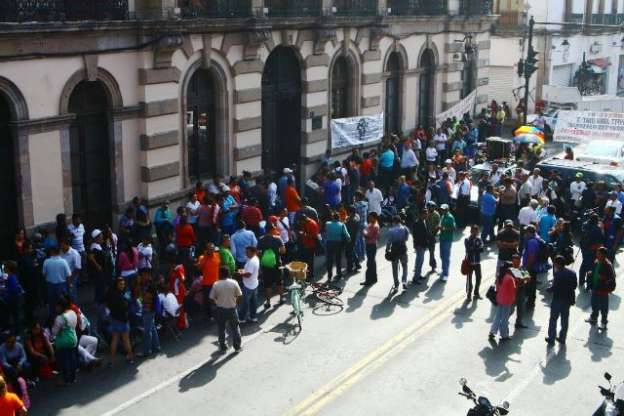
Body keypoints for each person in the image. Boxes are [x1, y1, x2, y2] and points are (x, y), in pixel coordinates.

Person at [545, 256, 577, 345]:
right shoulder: (572, 273)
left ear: (557, 264)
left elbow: (554, 288)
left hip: (558, 299)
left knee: (553, 319)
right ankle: (562, 338)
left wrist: (548, 289)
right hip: (567, 300)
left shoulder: (558, 274)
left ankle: (551, 338)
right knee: (565, 320)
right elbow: (574, 286)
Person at [210, 267, 243, 353]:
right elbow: (240, 295)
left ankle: (223, 347)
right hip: (232, 309)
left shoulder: (216, 284)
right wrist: (236, 304)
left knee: (221, 329)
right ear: (228, 274)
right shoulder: (234, 282)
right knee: (235, 329)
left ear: (220, 274)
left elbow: (211, 298)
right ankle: (237, 347)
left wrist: (216, 304)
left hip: (220, 310)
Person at [585, 247, 616, 331]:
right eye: (597, 253)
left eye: (598, 254)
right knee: (594, 304)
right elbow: (594, 270)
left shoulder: (608, 265)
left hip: (603, 290)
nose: (597, 255)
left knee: (603, 307)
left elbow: (612, 278)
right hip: (595, 287)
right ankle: (593, 318)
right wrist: (591, 273)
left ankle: (603, 323)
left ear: (603, 255)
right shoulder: (596, 261)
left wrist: (604, 278)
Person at [105, 277, 134, 365]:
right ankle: (130, 357)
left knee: (115, 340)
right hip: (123, 321)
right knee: (126, 340)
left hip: (114, 320)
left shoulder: (111, 293)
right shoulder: (122, 296)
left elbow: (108, 306)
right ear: (117, 285)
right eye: (121, 284)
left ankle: (111, 360)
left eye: (123, 284)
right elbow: (126, 307)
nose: (123, 285)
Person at [51, 297, 78, 385]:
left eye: (57, 306)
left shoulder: (60, 318)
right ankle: (73, 378)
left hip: (63, 341)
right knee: (72, 358)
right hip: (73, 337)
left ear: (61, 306)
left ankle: (67, 380)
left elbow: (54, 332)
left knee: (65, 360)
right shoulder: (73, 312)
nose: (56, 308)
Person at [258, 227, 286, 307]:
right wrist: (277, 253)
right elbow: (283, 251)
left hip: (265, 266)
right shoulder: (278, 239)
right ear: (272, 230)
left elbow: (258, 253)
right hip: (277, 264)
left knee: (267, 284)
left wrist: (264, 257)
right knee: (279, 282)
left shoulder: (261, 239)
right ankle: (281, 299)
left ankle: (268, 302)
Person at [489, 263, 517, 342]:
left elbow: (497, 288)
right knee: (504, 318)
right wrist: (513, 300)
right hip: (507, 301)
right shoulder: (510, 278)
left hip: (500, 299)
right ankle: (504, 335)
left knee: (498, 316)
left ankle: (492, 331)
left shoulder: (499, 277)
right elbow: (512, 291)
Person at [42, 246, 71, 318]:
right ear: (59, 252)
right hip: (61, 286)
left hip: (50, 285)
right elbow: (68, 275)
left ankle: (53, 319)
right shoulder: (63, 261)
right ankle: (64, 319)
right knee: (63, 304)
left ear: (51, 252)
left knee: (52, 304)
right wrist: (69, 285)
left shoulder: (46, 261)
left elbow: (44, 274)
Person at [196, 243, 221, 319]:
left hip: (216, 282)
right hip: (207, 283)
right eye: (210, 249)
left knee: (218, 299)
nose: (212, 250)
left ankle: (219, 313)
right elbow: (199, 268)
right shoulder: (202, 257)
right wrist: (205, 257)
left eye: (212, 248)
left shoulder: (217, 255)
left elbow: (219, 266)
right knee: (208, 301)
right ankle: (209, 315)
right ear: (206, 250)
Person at [324, 212, 350, 282]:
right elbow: (347, 235)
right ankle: (339, 275)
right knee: (338, 260)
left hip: (329, 243)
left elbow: (325, 231)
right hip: (338, 243)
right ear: (339, 218)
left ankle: (329, 277)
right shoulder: (342, 225)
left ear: (332, 217)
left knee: (329, 260)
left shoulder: (327, 224)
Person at [88, 229, 112, 304]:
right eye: (101, 237)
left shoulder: (98, 246)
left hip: (102, 269)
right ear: (96, 238)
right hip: (99, 271)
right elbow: (90, 257)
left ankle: (98, 300)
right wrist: (98, 266)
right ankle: (99, 302)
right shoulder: (94, 247)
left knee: (101, 286)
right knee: (100, 286)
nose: (102, 238)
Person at [386, 215, 409, 291]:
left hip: (394, 251)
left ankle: (396, 285)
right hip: (403, 249)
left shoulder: (391, 230)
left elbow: (389, 242)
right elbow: (406, 238)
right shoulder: (405, 228)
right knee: (404, 266)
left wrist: (387, 249)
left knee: (395, 269)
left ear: (394, 222)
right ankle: (404, 281)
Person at [238, 247, 260, 323]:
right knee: (253, 302)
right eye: (246, 252)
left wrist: (240, 273)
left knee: (245, 303)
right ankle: (253, 317)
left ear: (253, 252)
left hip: (248, 285)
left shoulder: (252, 261)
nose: (246, 253)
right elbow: (249, 271)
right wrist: (243, 270)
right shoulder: (254, 258)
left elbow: (248, 274)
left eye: (247, 252)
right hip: (254, 283)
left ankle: (241, 319)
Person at [521, 225, 541, 309]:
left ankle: (530, 302)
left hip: (530, 268)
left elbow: (532, 256)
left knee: (530, 284)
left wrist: (527, 267)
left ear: (530, 233)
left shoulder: (532, 242)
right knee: (529, 284)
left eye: (526, 232)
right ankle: (529, 300)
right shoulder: (536, 238)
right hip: (532, 267)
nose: (525, 234)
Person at [411, 208, 432, 284]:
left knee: (421, 261)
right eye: (425, 213)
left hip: (422, 245)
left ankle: (418, 275)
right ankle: (415, 279)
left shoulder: (424, 221)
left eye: (427, 213)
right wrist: (421, 244)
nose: (426, 215)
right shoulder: (417, 223)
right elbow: (416, 236)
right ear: (421, 214)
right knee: (419, 262)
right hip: (420, 245)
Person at [140, 284, 161, 358]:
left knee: (147, 331)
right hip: (152, 312)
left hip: (147, 312)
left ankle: (147, 351)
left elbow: (143, 301)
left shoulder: (148, 294)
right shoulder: (154, 293)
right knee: (153, 329)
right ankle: (156, 346)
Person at [464, 225, 484, 301]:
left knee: (479, 277)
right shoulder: (467, 239)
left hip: (477, 263)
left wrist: (474, 249)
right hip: (469, 262)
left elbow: (481, 249)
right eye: (473, 231)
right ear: (471, 231)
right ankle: (469, 294)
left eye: (476, 231)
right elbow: (468, 249)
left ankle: (476, 292)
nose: (475, 233)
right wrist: (476, 248)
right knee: (469, 279)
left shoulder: (479, 239)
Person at [361, 212, 380, 286]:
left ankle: (368, 280)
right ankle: (374, 278)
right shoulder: (372, 224)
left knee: (370, 263)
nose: (369, 218)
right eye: (369, 217)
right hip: (372, 245)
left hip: (371, 245)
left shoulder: (374, 226)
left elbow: (368, 236)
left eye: (370, 217)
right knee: (372, 262)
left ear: (374, 218)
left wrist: (364, 232)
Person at [438, 204, 456, 282]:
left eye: (444, 209)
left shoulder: (450, 217)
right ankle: (443, 270)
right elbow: (441, 226)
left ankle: (445, 274)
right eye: (442, 209)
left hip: (447, 240)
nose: (442, 210)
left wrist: (444, 228)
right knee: (442, 256)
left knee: (446, 257)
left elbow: (453, 228)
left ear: (447, 209)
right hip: (442, 238)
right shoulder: (442, 216)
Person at [425, 202, 441, 272]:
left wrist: (434, 233)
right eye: (429, 207)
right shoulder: (425, 213)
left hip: (432, 236)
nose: (430, 208)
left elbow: (438, 225)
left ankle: (433, 266)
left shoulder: (436, 214)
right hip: (425, 235)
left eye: (431, 207)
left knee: (431, 252)